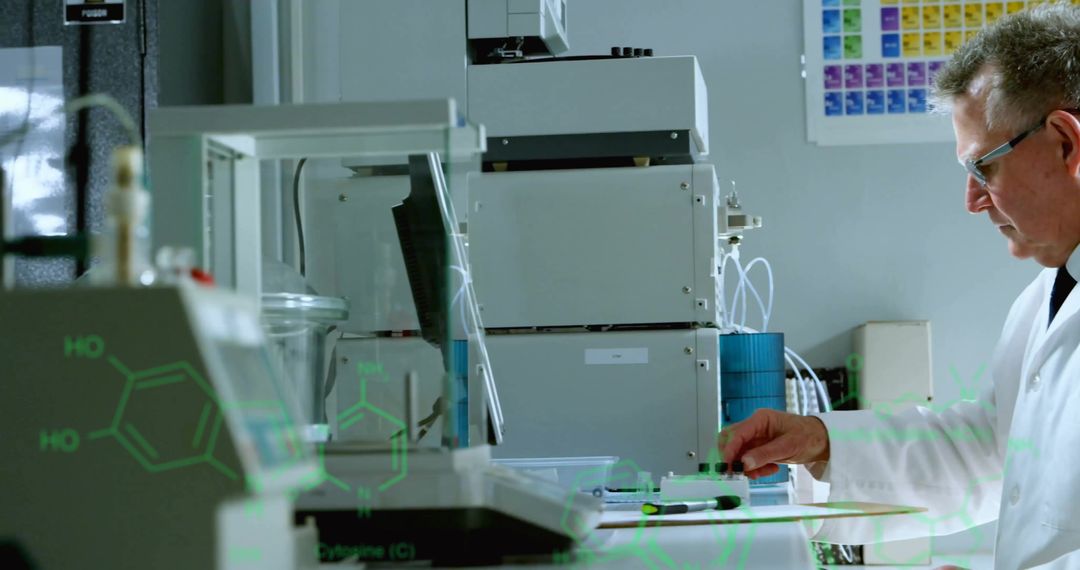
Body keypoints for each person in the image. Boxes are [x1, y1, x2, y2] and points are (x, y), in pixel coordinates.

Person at [718, 4, 1080, 569]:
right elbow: (993, 449)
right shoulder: (1049, 295)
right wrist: (820, 443)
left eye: (984, 168)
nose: (972, 200)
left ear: (1065, 143)